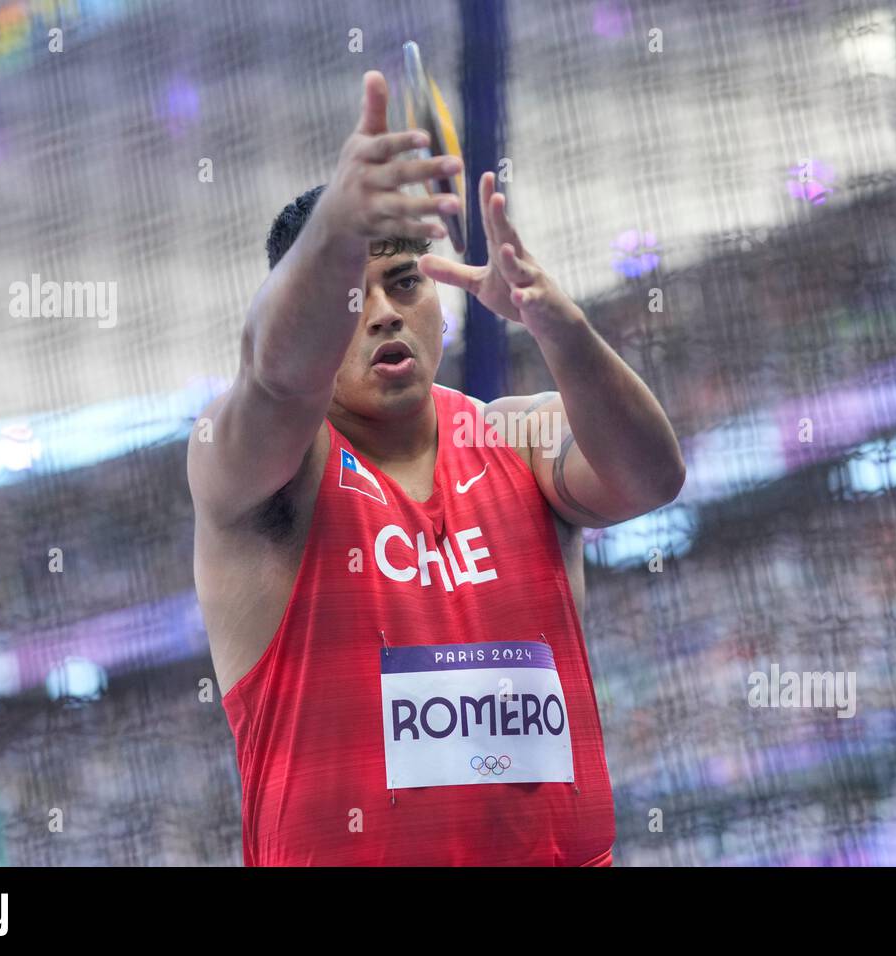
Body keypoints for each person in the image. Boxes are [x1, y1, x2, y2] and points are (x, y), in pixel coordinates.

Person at [187, 70, 684, 865]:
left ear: (437, 298)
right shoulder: (265, 474)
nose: (382, 309)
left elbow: (651, 479)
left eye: (403, 281)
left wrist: (565, 332)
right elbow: (276, 377)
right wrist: (336, 233)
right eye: (349, 294)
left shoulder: (515, 440)